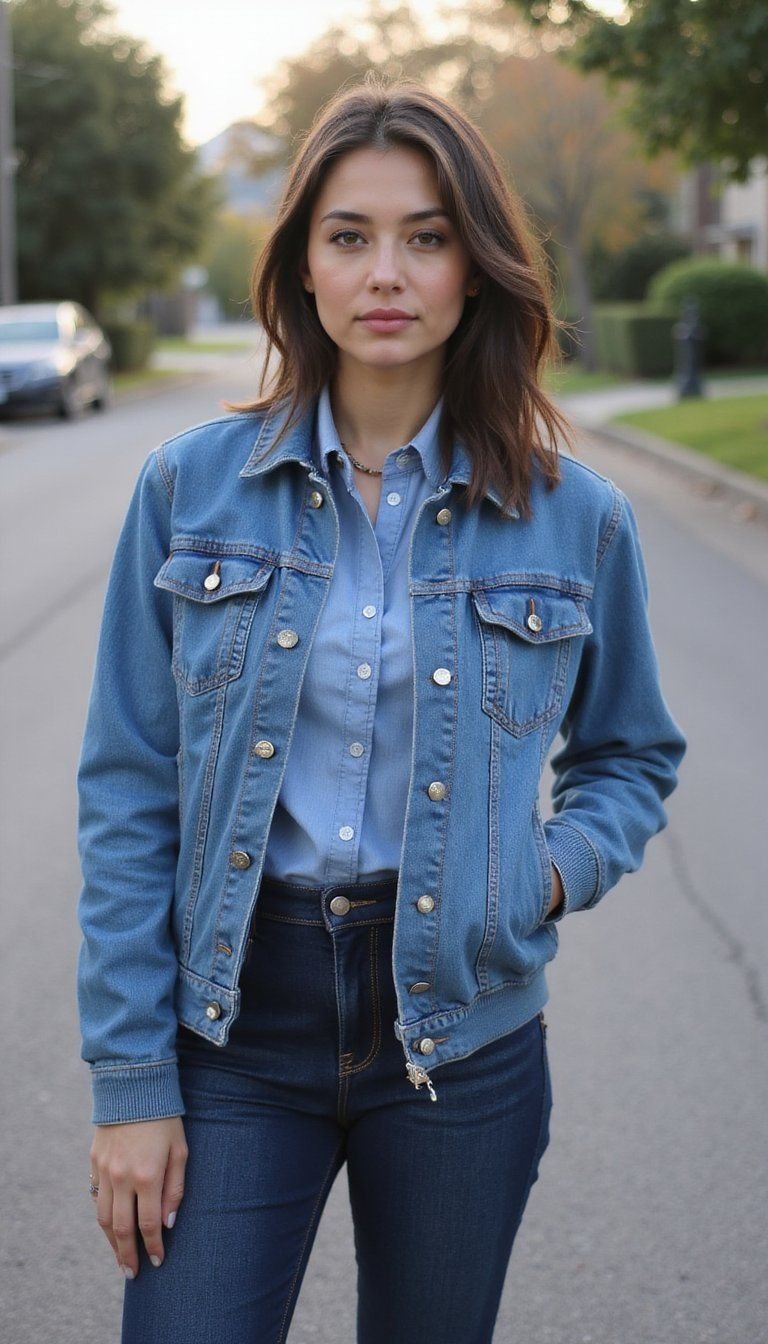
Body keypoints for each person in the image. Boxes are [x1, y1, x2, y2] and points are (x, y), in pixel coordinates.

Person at [76, 79, 686, 1344]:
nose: (386, 273)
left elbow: (630, 756)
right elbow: (129, 788)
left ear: (477, 265)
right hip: (236, 1024)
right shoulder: (187, 489)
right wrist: (132, 1082)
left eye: (427, 236)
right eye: (349, 236)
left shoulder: (577, 517)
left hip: (463, 1034)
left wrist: (540, 875)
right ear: (303, 265)